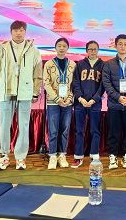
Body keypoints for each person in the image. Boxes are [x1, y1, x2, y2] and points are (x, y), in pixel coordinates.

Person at [0, 20, 42, 171]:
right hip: (6, 92)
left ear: (25, 32)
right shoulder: (2, 49)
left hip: (25, 93)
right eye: (15, 30)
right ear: (11, 32)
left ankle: (20, 157)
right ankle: (4, 156)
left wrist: (35, 92)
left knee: (24, 125)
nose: (18, 33)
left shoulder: (33, 50)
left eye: (21, 30)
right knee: (4, 125)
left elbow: (37, 73)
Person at [103, 34, 126, 170]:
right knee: (113, 132)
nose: (122, 46)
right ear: (115, 45)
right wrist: (118, 97)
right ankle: (113, 156)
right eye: (120, 44)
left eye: (125, 44)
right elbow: (107, 84)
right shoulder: (108, 64)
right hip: (114, 104)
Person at [44, 37, 76, 170]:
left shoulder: (73, 65)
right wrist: (57, 99)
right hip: (53, 102)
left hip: (68, 103)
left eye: (64, 46)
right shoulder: (49, 64)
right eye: (59, 46)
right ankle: (52, 155)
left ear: (67, 48)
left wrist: (69, 98)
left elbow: (75, 84)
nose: (62, 48)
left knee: (65, 129)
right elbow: (46, 83)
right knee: (53, 130)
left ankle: (62, 155)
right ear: (55, 47)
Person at [71, 40, 105, 168]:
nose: (92, 51)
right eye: (90, 49)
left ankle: (94, 155)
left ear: (98, 50)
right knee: (79, 130)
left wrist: (94, 99)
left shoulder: (103, 65)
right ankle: (78, 157)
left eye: (95, 49)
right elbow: (75, 82)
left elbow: (103, 85)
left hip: (95, 104)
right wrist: (80, 98)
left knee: (95, 130)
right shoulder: (80, 64)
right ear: (86, 51)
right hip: (80, 103)